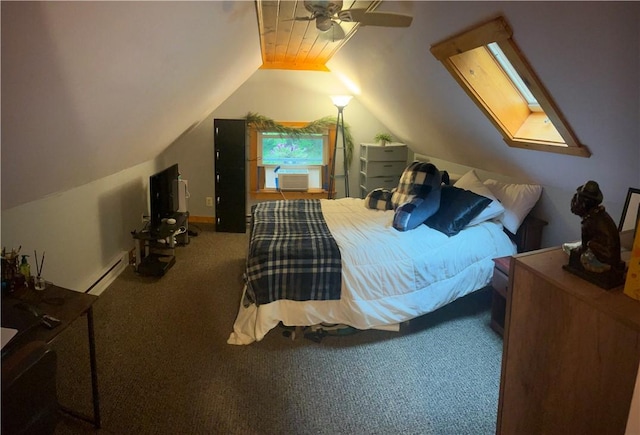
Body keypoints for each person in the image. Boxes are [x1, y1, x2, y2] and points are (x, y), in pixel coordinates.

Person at [569, 180, 622, 273]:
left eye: (578, 200)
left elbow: (585, 240)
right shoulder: (600, 214)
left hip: (607, 254)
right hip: (612, 253)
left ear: (584, 204)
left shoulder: (590, 220)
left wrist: (583, 248)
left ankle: (600, 264)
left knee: (589, 244)